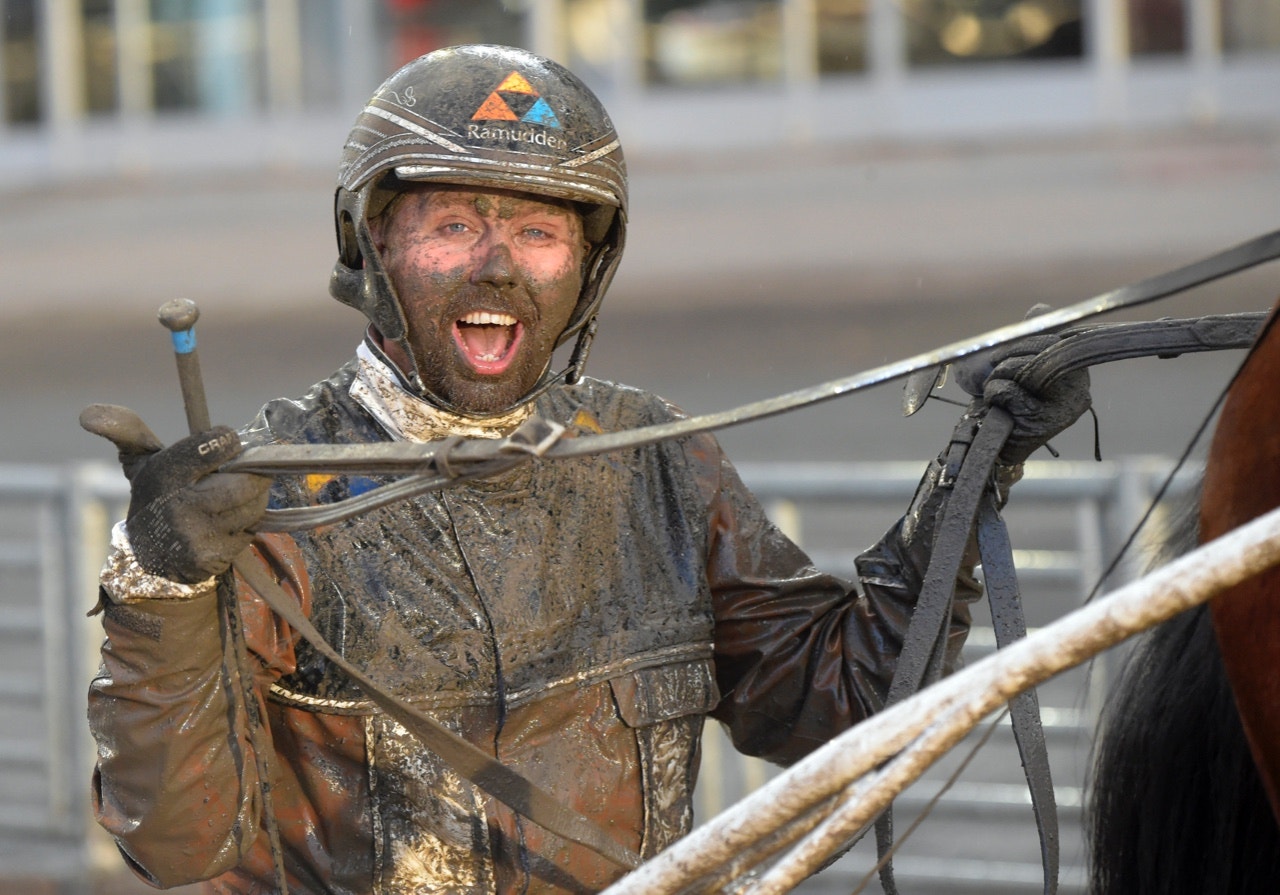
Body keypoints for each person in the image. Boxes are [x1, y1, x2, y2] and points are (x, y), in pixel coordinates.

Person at [82, 45, 1090, 895]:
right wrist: (159, 584)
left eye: (537, 232)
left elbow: (844, 701)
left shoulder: (652, 459)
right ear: (371, 244)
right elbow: (176, 840)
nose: (497, 265)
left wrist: (974, 471)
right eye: (453, 226)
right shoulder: (263, 500)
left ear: (585, 267)